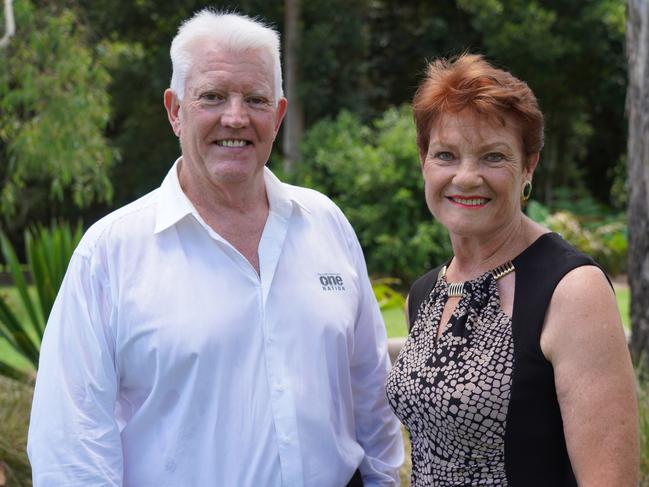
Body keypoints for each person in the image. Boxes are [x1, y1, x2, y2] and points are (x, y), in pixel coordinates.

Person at [27, 10, 403, 486]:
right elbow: (71, 446)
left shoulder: (325, 223)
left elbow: (370, 392)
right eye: (212, 96)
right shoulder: (109, 254)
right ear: (175, 110)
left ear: (279, 115)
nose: (236, 117)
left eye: (256, 99)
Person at [386, 53, 639, 486]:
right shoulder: (426, 292)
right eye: (446, 154)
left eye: (492, 157)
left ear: (529, 166)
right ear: (423, 162)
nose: (466, 178)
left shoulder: (571, 290)